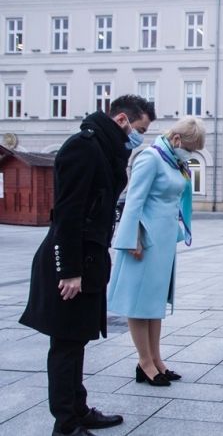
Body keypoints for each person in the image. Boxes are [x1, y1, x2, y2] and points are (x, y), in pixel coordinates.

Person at [19, 95, 155, 436]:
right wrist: (69, 270)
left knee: (76, 339)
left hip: (89, 259)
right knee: (65, 344)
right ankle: (65, 424)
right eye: (140, 129)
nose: (140, 136)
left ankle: (78, 409)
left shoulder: (105, 149)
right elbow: (67, 212)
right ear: (122, 120)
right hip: (71, 261)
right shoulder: (83, 147)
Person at [107, 117, 205, 387]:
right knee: (139, 304)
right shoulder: (151, 158)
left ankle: (156, 359)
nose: (191, 153)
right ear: (176, 140)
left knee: (154, 304)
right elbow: (133, 200)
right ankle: (144, 362)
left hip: (162, 242)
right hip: (145, 240)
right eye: (191, 147)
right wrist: (132, 238)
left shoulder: (173, 160)